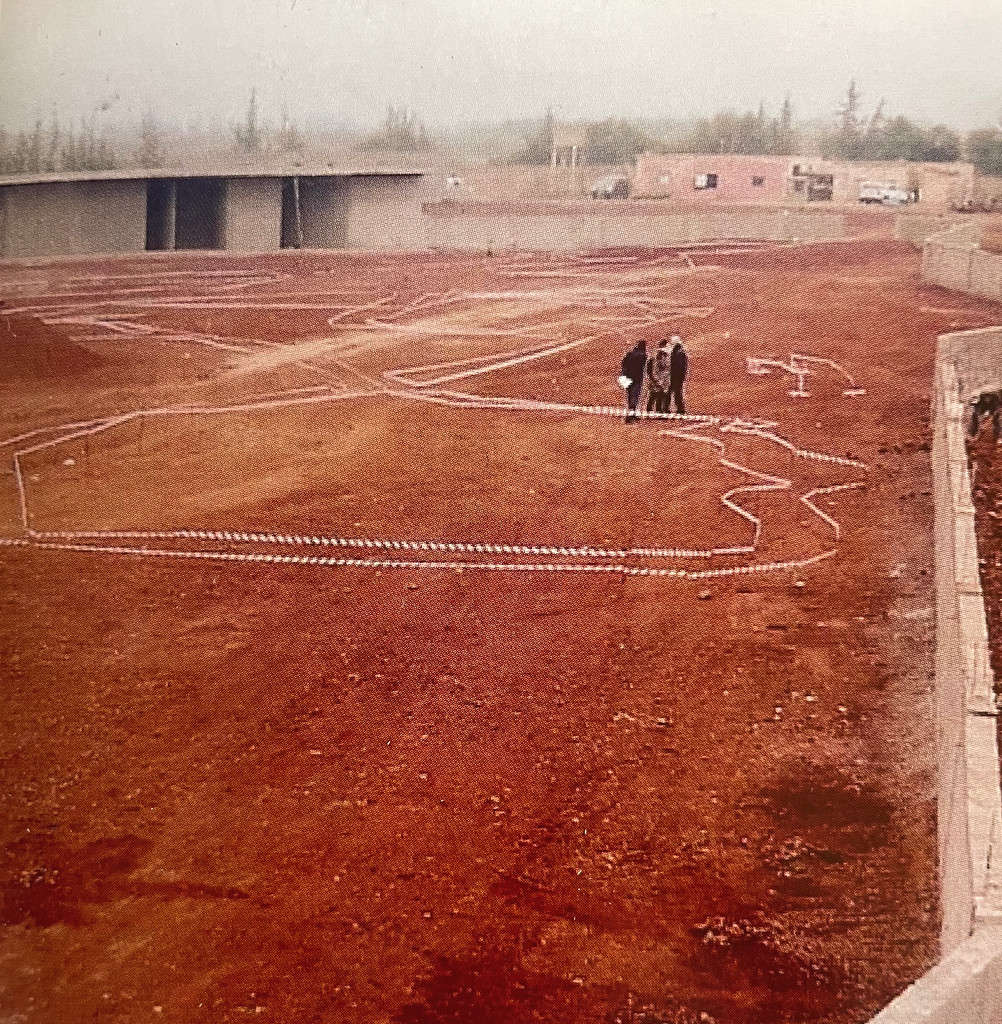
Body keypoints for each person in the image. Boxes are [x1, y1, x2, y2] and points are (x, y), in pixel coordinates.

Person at [620, 340, 647, 422]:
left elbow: (623, 363)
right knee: (635, 397)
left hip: (627, 377)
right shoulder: (643, 356)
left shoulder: (629, 354)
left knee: (629, 395)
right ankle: (631, 416)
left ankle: (631, 413)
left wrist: (624, 373)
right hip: (637, 378)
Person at [646, 339, 670, 414]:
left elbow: (648, 368)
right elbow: (664, 367)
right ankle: (656, 410)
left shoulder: (654, 356)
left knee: (655, 394)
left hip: (657, 378)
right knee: (656, 394)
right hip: (659, 378)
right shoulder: (661, 357)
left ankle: (652, 409)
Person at [668, 336, 688, 414]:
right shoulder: (680, 352)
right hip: (678, 376)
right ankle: (680, 409)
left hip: (675, 376)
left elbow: (677, 365)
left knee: (674, 393)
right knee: (677, 393)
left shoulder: (677, 353)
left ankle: (679, 409)